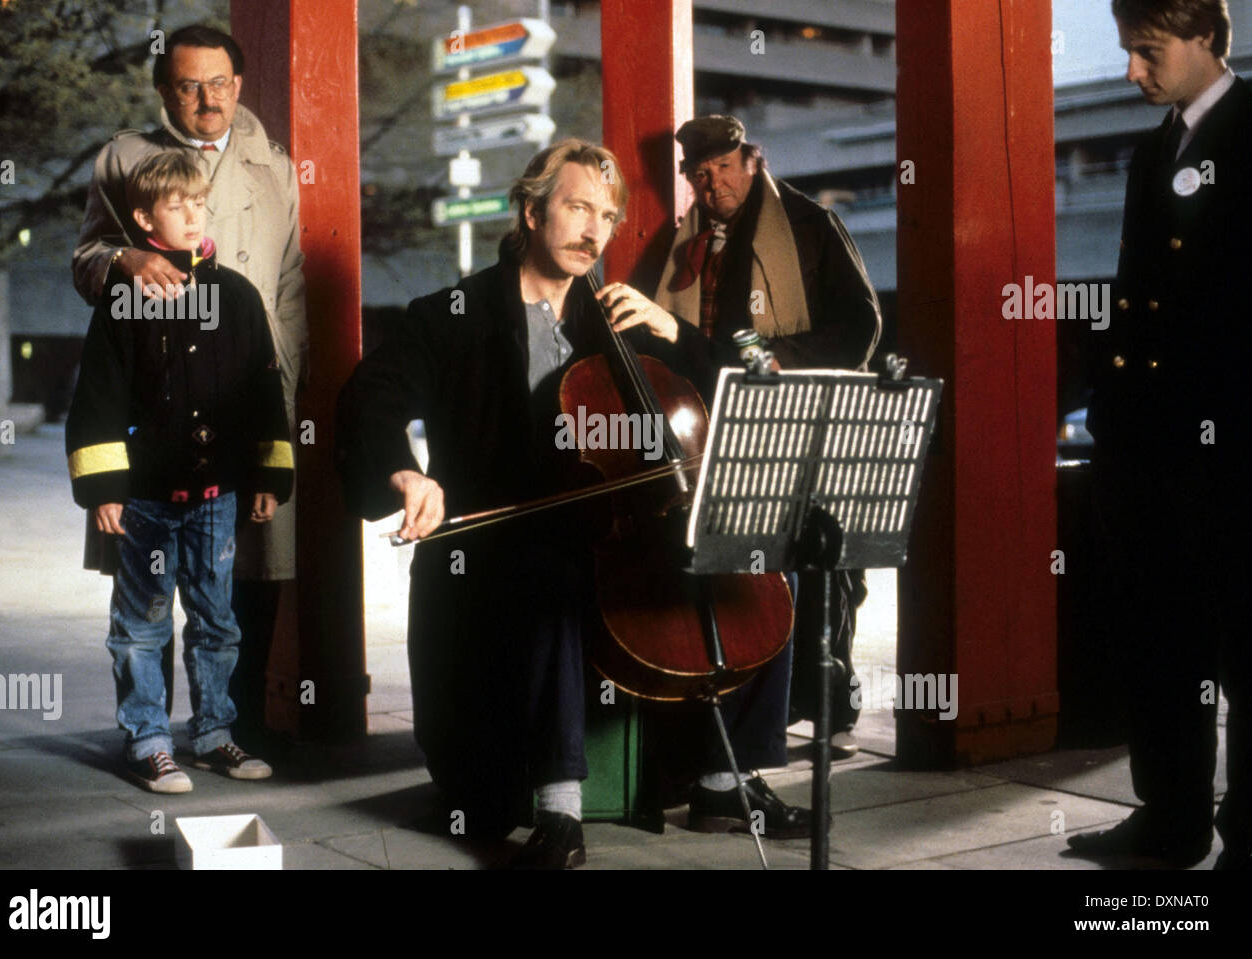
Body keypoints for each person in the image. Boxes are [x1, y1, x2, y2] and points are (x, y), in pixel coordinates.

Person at [336, 139, 811, 868]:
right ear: (531, 211)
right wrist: (407, 475)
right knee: (553, 570)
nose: (595, 229)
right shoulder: (453, 314)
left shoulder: (618, 318)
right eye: (578, 206)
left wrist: (672, 330)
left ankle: (725, 779)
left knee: (753, 555)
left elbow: (731, 388)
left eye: (607, 214)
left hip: (621, 528)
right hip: (497, 547)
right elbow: (370, 398)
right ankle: (559, 809)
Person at [72, 25, 306, 750]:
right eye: (188, 85)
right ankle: (150, 731)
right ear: (164, 89)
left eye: (221, 83)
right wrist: (125, 260)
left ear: (239, 84)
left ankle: (227, 726)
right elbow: (84, 259)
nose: (208, 98)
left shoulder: (274, 164)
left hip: (247, 392)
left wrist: (284, 379)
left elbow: (292, 284)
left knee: (246, 571)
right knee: (149, 585)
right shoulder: (123, 159)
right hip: (157, 405)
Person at [1066, 0, 1252, 869]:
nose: (1133, 71)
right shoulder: (1154, 152)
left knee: (1248, 646)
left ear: (1209, 39)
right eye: (1128, 53)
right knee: (1159, 640)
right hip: (1148, 444)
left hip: (1238, 446)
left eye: (1148, 52)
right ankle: (1170, 819)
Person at [647, 115, 883, 760]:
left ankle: (833, 705)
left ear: (752, 161)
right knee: (748, 573)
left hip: (801, 415)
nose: (713, 181)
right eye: (700, 173)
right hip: (719, 426)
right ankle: (760, 713)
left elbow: (861, 325)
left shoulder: (808, 223)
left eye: (724, 167)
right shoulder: (684, 240)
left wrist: (779, 359)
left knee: (824, 570)